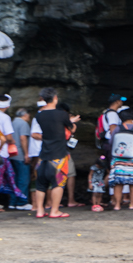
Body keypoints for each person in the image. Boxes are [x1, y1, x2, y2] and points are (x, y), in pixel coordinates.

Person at [31, 88, 80, 219]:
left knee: (41, 184)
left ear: (42, 99)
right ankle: (54, 211)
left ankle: (40, 211)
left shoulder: (39, 115)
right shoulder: (61, 114)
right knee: (58, 183)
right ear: (55, 98)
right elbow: (70, 130)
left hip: (43, 154)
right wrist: (73, 123)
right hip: (59, 154)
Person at [109, 108, 133, 209]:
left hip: (119, 157)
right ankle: (132, 204)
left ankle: (117, 205)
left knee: (118, 181)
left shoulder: (118, 128)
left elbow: (111, 142)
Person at [9, 109, 33, 210]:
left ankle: (12, 202)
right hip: (20, 155)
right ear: (25, 115)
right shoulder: (23, 123)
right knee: (23, 179)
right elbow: (23, 138)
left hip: (11, 155)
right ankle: (22, 202)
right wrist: (26, 154)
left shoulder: (12, 122)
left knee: (14, 179)